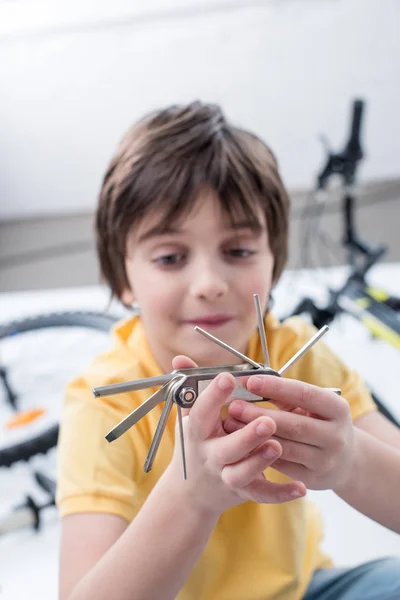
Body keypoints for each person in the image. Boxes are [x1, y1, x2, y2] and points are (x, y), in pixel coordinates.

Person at [56, 102, 400, 600]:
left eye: (237, 251)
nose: (210, 284)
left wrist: (350, 462)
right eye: (171, 257)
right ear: (121, 277)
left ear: (274, 260)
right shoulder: (106, 404)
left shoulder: (299, 356)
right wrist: (191, 499)